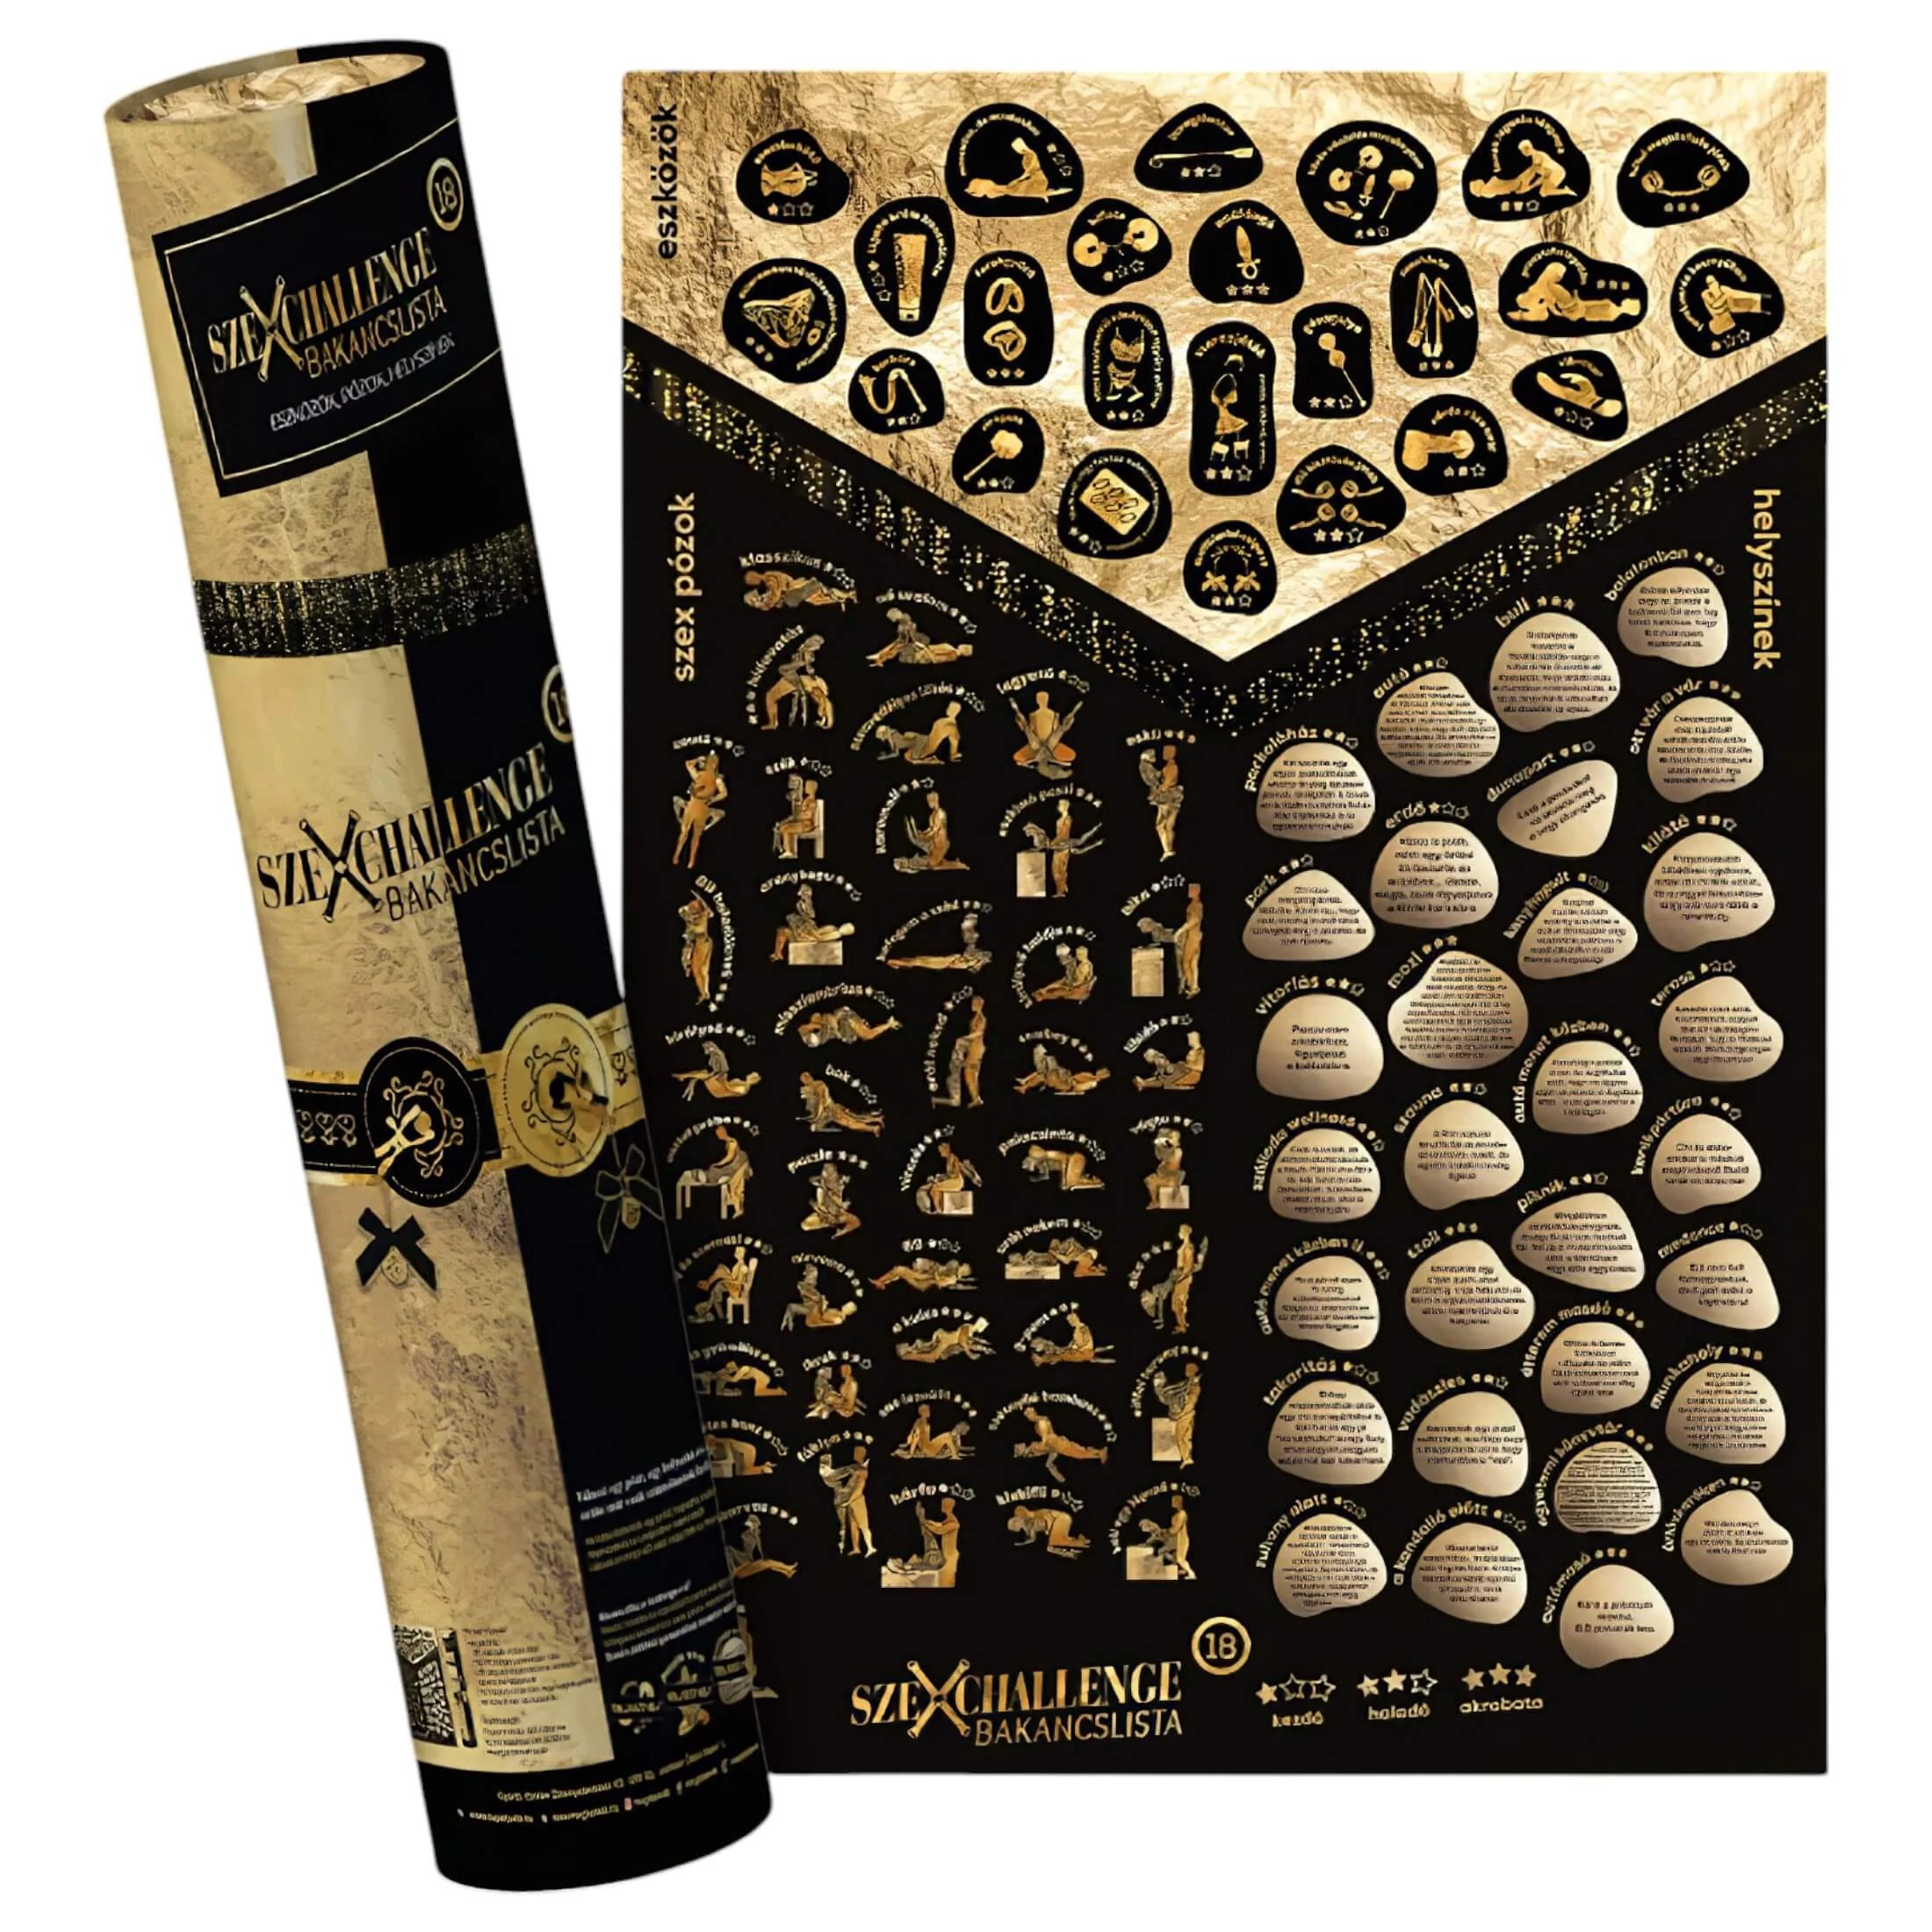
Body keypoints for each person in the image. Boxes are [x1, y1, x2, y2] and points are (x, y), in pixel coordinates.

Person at [672, 752, 727, 866]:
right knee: (684, 833)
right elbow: (688, 764)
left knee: (695, 836)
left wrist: (712, 799)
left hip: (702, 808)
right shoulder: (700, 775)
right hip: (692, 805)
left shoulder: (717, 779)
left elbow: (724, 793)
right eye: (709, 762)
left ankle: (691, 861)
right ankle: (677, 856)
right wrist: (698, 759)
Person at [820, 1446, 876, 1557]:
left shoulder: (862, 1470)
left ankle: (870, 1548)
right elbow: (838, 1475)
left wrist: (849, 1501)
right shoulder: (854, 1467)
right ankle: (856, 1548)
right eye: (855, 1452)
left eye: (857, 1452)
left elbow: (859, 1488)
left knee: (863, 1525)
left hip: (856, 1499)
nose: (855, 1454)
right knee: (853, 1525)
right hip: (849, 1498)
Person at [868, 608, 975, 666]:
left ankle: (880, 658)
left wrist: (924, 649)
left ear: (965, 651)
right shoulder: (951, 648)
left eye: (966, 646)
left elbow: (935, 659)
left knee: (899, 649)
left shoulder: (953, 654)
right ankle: (880, 656)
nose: (964, 645)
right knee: (898, 645)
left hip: (922, 653)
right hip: (922, 647)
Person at [935, 997, 987, 1107]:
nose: (972, 1005)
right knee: (969, 1074)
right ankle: (976, 1098)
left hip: (976, 1048)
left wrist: (964, 1038)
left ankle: (976, 1098)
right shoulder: (976, 1017)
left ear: (980, 1005)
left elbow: (979, 1033)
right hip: (972, 1047)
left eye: (975, 1003)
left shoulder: (981, 1019)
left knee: (971, 1072)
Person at [799, 1071, 883, 1135]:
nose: (805, 1082)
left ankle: (874, 1127)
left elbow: (822, 1102)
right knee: (854, 1117)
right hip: (832, 1109)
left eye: (805, 1079)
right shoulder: (816, 1086)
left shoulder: (818, 1085)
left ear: (809, 1078)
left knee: (852, 1123)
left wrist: (816, 1117)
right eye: (804, 1081)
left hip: (832, 1110)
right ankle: (876, 1121)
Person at [678, 895, 714, 1004]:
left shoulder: (703, 916)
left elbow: (709, 913)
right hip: (694, 943)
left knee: (701, 969)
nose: (691, 906)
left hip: (702, 943)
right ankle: (703, 992)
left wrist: (704, 907)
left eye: (694, 906)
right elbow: (681, 910)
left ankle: (705, 992)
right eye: (691, 905)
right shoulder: (688, 915)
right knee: (696, 969)